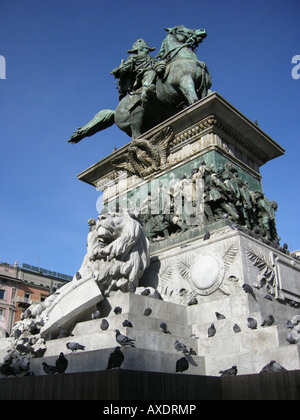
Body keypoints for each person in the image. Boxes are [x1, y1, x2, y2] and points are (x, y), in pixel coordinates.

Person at [111, 38, 157, 106]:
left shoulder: (152, 59)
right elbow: (126, 67)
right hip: (140, 76)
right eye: (146, 48)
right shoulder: (133, 58)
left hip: (153, 73)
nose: (148, 50)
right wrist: (118, 70)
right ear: (140, 50)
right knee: (150, 72)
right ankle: (145, 93)